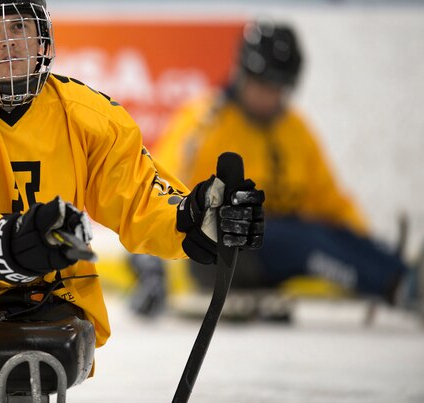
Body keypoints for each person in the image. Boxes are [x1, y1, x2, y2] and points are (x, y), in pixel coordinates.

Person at [0, 0, 264, 368]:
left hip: (59, 299)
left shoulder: (87, 114)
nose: (8, 43)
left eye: (18, 27)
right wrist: (10, 243)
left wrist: (193, 219)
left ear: (40, 36)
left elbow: (136, 197)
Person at [128, 21, 423, 320]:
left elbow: (328, 201)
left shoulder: (295, 129)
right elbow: (158, 184)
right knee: (303, 239)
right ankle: (399, 286)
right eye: (263, 84)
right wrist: (149, 264)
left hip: (272, 249)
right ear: (243, 75)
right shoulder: (205, 121)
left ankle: (401, 274)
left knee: (315, 232)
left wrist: (363, 245)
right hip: (216, 253)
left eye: (279, 87)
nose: (270, 96)